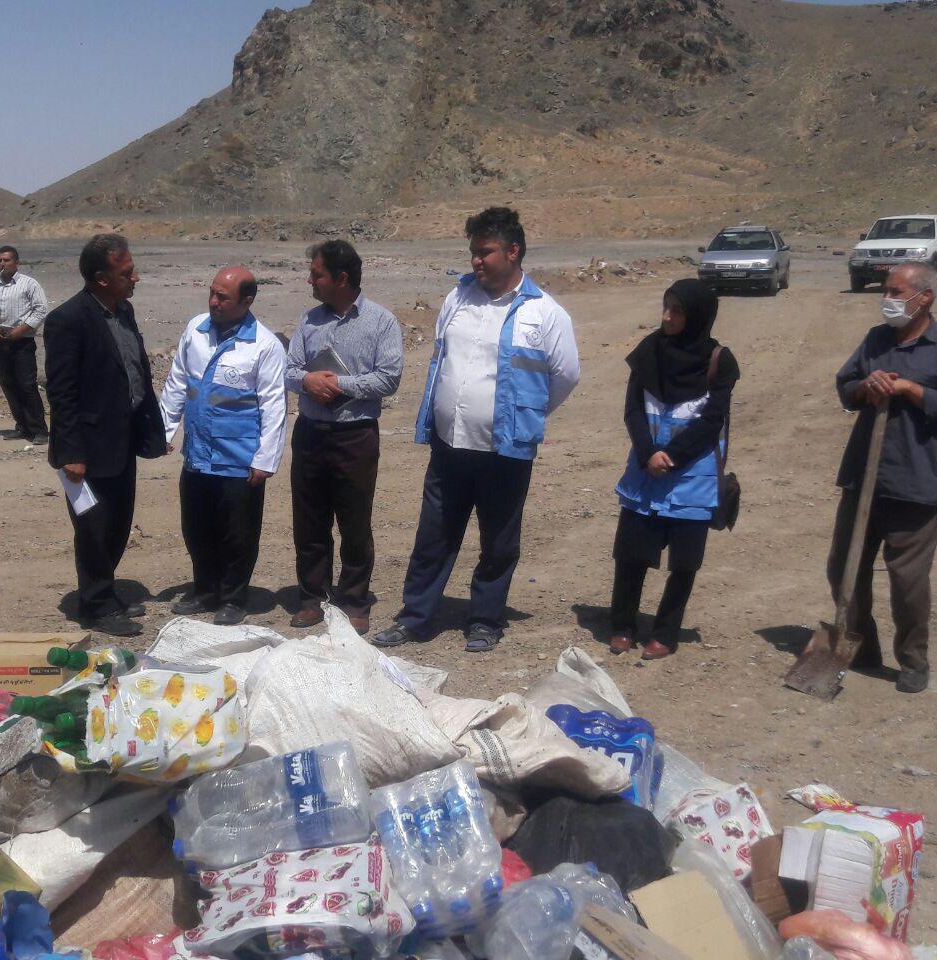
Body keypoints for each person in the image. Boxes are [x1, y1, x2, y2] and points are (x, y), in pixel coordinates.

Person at [373, 207, 580, 652]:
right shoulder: (458, 298)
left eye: (485, 252)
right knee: (434, 536)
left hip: (504, 450)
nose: (476, 261)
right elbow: (442, 358)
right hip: (449, 443)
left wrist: (523, 416)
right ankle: (415, 617)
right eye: (473, 252)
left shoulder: (544, 313)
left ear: (513, 251)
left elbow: (565, 376)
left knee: (499, 540)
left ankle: (485, 620)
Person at [829, 261, 937, 693]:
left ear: (924, 297)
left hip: (914, 482)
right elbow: (846, 387)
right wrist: (865, 385)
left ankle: (913, 660)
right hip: (863, 477)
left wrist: (911, 389)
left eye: (896, 292)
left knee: (907, 581)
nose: (887, 299)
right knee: (844, 568)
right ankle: (860, 645)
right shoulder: (876, 339)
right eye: (886, 291)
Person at [44, 234, 167, 637]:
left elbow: (134, 371)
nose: (136, 278)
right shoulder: (67, 320)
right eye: (127, 272)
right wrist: (71, 453)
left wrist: (151, 428)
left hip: (122, 439)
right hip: (87, 447)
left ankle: (105, 594)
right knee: (94, 528)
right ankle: (96, 605)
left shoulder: (123, 310)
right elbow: (62, 393)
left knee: (118, 524)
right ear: (101, 278)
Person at [609, 279, 739, 660]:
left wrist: (672, 457)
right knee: (630, 554)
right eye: (665, 308)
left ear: (696, 316)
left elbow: (712, 420)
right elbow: (633, 409)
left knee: (684, 563)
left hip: (692, 480)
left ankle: (665, 633)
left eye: (677, 311)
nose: (667, 317)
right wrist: (648, 453)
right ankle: (622, 626)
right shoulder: (648, 351)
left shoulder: (719, 361)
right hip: (645, 473)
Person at [284, 241, 403, 633]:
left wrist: (337, 384)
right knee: (309, 522)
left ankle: (354, 600)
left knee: (354, 522)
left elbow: (389, 378)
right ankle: (312, 598)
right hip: (310, 435)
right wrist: (307, 380)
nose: (310, 280)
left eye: (316, 274)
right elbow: (289, 370)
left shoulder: (382, 321)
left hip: (355, 437)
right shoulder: (308, 320)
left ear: (341, 278)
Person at [159, 267, 287, 626]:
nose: (214, 302)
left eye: (223, 297)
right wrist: (164, 430)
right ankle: (205, 590)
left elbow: (274, 405)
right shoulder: (195, 330)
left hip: (239, 458)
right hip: (198, 453)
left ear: (247, 301)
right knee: (197, 527)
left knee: (238, 533)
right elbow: (178, 382)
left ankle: (233, 597)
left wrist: (265, 460)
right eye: (212, 293)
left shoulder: (264, 345)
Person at [0, 245, 49, 443]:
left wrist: (21, 330)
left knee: (26, 385)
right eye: (0, 260)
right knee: (8, 384)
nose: (2, 263)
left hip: (22, 341)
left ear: (17, 262)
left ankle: (39, 430)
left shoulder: (29, 284)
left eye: (6, 260)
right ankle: (22, 427)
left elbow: (40, 309)